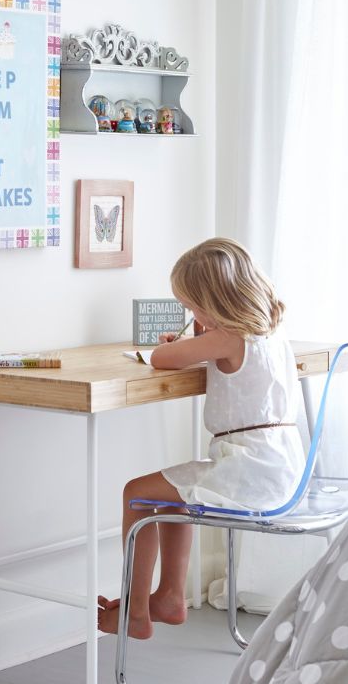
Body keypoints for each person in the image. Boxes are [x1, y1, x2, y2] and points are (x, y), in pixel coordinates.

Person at [97, 237, 304, 640]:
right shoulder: (271, 333)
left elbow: (161, 359)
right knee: (174, 490)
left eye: (192, 306)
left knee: (136, 493)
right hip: (280, 470)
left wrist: (184, 343)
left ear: (214, 301)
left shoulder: (228, 337)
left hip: (249, 471)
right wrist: (198, 335)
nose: (191, 314)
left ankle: (136, 612)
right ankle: (169, 597)